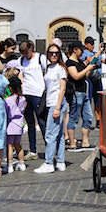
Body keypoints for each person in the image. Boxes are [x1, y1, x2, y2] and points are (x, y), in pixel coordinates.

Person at [34, 43, 69, 173]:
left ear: (59, 55)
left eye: (56, 53)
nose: (53, 55)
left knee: (50, 134)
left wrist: (57, 108)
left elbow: (62, 89)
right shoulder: (49, 68)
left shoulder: (60, 69)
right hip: (51, 102)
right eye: (51, 53)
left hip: (57, 103)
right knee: (58, 134)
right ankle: (60, 161)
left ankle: (49, 162)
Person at [10, 39, 45, 160]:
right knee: (30, 122)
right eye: (23, 53)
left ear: (31, 49)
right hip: (26, 94)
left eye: (27, 52)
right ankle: (33, 150)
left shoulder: (41, 58)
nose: (25, 55)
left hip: (38, 93)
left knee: (42, 122)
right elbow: (19, 74)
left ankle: (49, 147)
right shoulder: (21, 60)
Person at [65, 42, 99, 151]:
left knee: (88, 117)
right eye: (81, 50)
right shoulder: (69, 63)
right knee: (74, 118)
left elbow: (84, 76)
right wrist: (87, 68)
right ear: (75, 50)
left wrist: (90, 68)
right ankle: (72, 144)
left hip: (84, 92)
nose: (83, 52)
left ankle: (85, 142)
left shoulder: (79, 62)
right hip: (75, 93)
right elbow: (75, 76)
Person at [5, 76, 27, 172]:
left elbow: (7, 113)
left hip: (10, 124)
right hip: (19, 123)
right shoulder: (22, 99)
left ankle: (10, 165)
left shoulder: (8, 100)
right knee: (18, 145)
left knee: (9, 145)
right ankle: (22, 163)